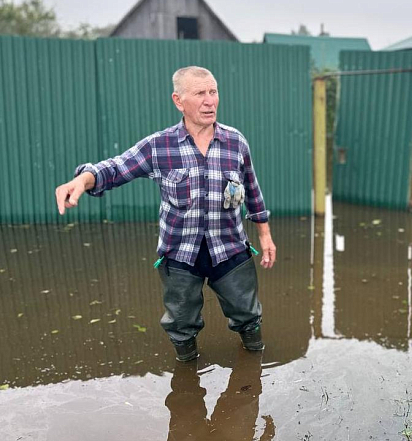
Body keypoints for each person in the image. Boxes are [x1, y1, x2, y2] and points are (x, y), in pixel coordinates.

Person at [54, 66, 277, 362]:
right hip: (180, 254)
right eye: (200, 93)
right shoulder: (159, 146)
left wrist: (265, 235)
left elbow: (252, 189)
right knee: (181, 324)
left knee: (248, 315)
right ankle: (187, 373)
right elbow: (116, 168)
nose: (210, 100)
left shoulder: (236, 142)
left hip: (230, 248)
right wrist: (84, 178)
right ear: (178, 100)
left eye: (213, 91)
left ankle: (253, 361)